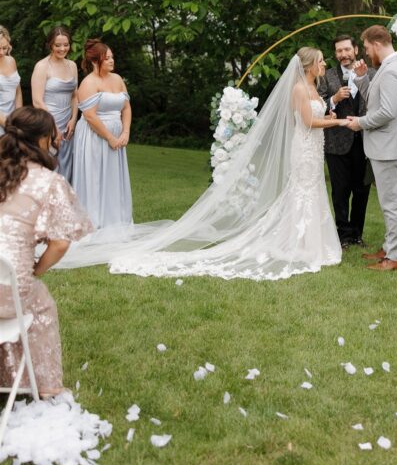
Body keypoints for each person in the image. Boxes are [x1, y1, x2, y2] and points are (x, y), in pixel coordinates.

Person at [60, 48, 353, 281]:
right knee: (301, 191)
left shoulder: (316, 89)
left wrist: (332, 114)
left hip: (315, 147)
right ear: (309, 65)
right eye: (321, 61)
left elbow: (319, 116)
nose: (324, 64)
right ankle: (299, 242)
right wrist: (338, 122)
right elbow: (307, 121)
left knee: (311, 191)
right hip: (303, 148)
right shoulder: (300, 90)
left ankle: (309, 241)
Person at [0, 107, 93, 397]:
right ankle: (45, 386)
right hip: (6, 287)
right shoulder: (49, 182)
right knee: (40, 304)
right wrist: (36, 269)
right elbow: (61, 242)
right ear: (43, 139)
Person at [348, 25, 397, 272]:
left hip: (388, 147)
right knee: (388, 201)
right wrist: (363, 79)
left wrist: (360, 123)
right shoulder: (386, 68)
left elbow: (386, 112)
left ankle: (395, 257)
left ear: (376, 44)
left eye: (365, 48)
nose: (365, 54)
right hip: (382, 146)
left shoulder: (393, 71)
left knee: (392, 203)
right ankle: (388, 247)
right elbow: (376, 101)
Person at [319, 34, 374, 248]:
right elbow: (315, 105)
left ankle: (357, 234)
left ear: (356, 50)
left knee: (362, 191)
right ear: (336, 54)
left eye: (347, 50)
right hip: (336, 144)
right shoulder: (327, 76)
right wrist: (334, 99)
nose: (343, 54)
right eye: (339, 51)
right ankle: (342, 236)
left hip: (365, 142)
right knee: (340, 191)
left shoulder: (371, 73)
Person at [71, 38, 133, 229]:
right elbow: (90, 116)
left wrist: (125, 132)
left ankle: (116, 219)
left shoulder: (118, 79)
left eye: (112, 57)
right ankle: (95, 221)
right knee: (96, 177)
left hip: (116, 135)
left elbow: (126, 108)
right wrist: (110, 137)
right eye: (107, 59)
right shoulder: (89, 83)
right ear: (95, 61)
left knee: (114, 178)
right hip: (95, 136)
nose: (112, 61)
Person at [31, 25, 79, 182]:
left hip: (68, 126)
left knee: (68, 166)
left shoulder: (72, 66)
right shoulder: (42, 66)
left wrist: (73, 119)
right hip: (48, 123)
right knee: (49, 165)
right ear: (50, 44)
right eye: (58, 45)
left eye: (66, 45)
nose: (62, 48)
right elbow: (37, 100)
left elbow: (75, 95)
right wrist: (53, 127)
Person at [0, 25, 22, 136]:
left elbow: (17, 91)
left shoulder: (11, 61)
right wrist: (7, 125)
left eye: (4, 48)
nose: (2, 53)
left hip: (13, 118)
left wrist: (18, 116)